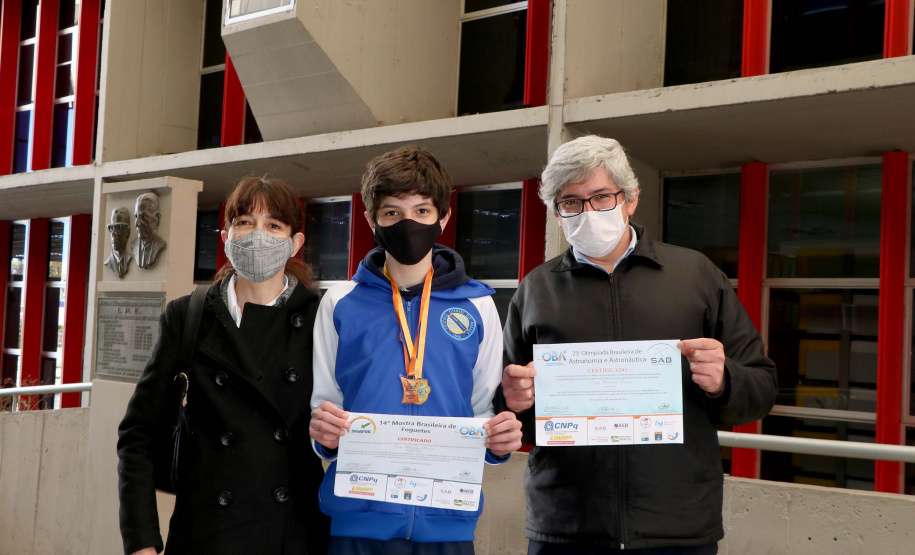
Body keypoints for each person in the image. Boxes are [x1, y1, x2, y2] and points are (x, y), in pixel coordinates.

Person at [496, 135, 778, 554]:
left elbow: (762, 389)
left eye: (600, 197)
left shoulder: (694, 275)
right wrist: (515, 402)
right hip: (568, 526)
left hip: (676, 526)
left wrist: (724, 381)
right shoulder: (536, 289)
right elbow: (507, 413)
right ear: (558, 215)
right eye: (570, 202)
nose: (586, 212)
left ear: (630, 199)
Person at [309, 145, 523, 555]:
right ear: (372, 219)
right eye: (392, 212)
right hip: (360, 517)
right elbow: (324, 405)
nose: (408, 223)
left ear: (443, 217)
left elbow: (484, 409)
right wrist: (325, 436)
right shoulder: (340, 302)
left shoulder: (478, 305)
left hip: (447, 519)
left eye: (422, 211)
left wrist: (497, 441)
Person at [117, 176, 330, 555]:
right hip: (205, 535)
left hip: (292, 537)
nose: (256, 234)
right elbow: (139, 434)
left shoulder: (323, 321)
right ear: (226, 235)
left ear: (295, 243)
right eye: (244, 222)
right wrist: (142, 542)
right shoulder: (189, 316)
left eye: (273, 225)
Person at [132, 191, 168, 269]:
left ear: (157, 218)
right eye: (136, 216)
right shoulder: (134, 245)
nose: (137, 224)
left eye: (143, 217)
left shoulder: (160, 245)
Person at [105, 207, 133, 278]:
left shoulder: (130, 258)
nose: (114, 233)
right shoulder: (109, 262)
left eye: (118, 228)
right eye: (111, 228)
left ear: (127, 232)